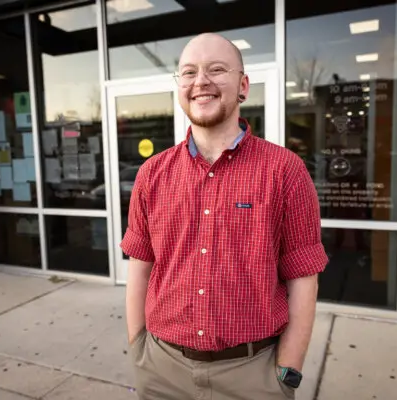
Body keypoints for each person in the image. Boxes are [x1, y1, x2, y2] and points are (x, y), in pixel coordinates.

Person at [121, 32, 328, 400]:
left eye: (217, 69)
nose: (201, 82)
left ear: (243, 85)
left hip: (254, 375)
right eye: (189, 73)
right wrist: (139, 348)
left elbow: (303, 278)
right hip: (162, 370)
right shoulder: (152, 175)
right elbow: (141, 265)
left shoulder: (285, 171)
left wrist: (288, 369)